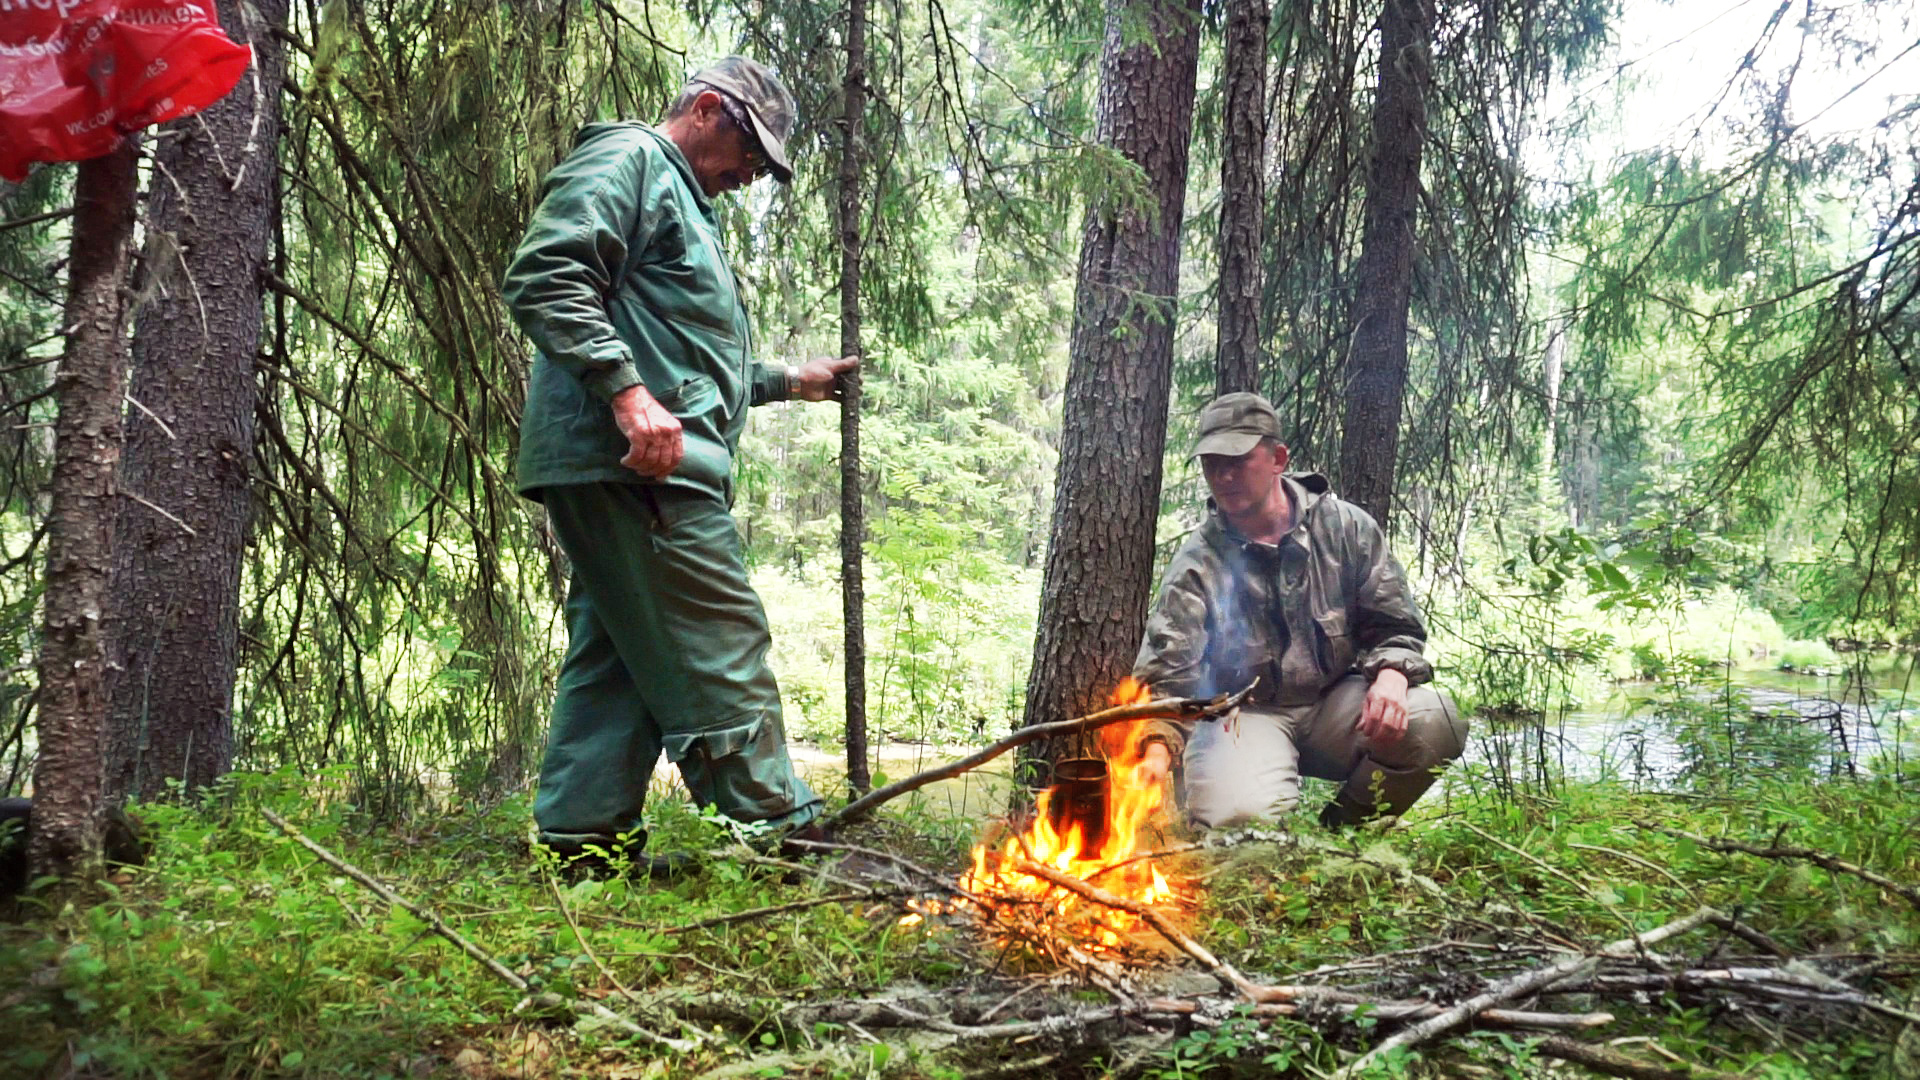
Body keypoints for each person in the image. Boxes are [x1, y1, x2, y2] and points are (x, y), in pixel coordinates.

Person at [501, 57, 854, 864]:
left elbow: (683, 359)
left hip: (627, 461)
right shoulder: (631, 160)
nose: (749, 176)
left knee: (618, 658)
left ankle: (581, 845)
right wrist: (625, 393)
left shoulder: (683, 200)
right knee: (719, 633)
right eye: (749, 155)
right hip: (639, 466)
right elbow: (547, 270)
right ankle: (777, 835)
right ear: (706, 109)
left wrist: (785, 382)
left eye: (762, 165)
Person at [1129, 392, 1467, 828]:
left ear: (1278, 458)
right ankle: (1257, 817)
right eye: (1212, 463)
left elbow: (1396, 626)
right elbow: (1166, 675)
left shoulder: (1346, 529)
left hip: (1335, 703)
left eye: (1238, 460)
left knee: (1436, 719)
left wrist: (1392, 675)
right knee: (1243, 822)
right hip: (1243, 716)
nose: (1223, 475)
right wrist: (1156, 754)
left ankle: (1345, 833)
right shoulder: (1199, 563)